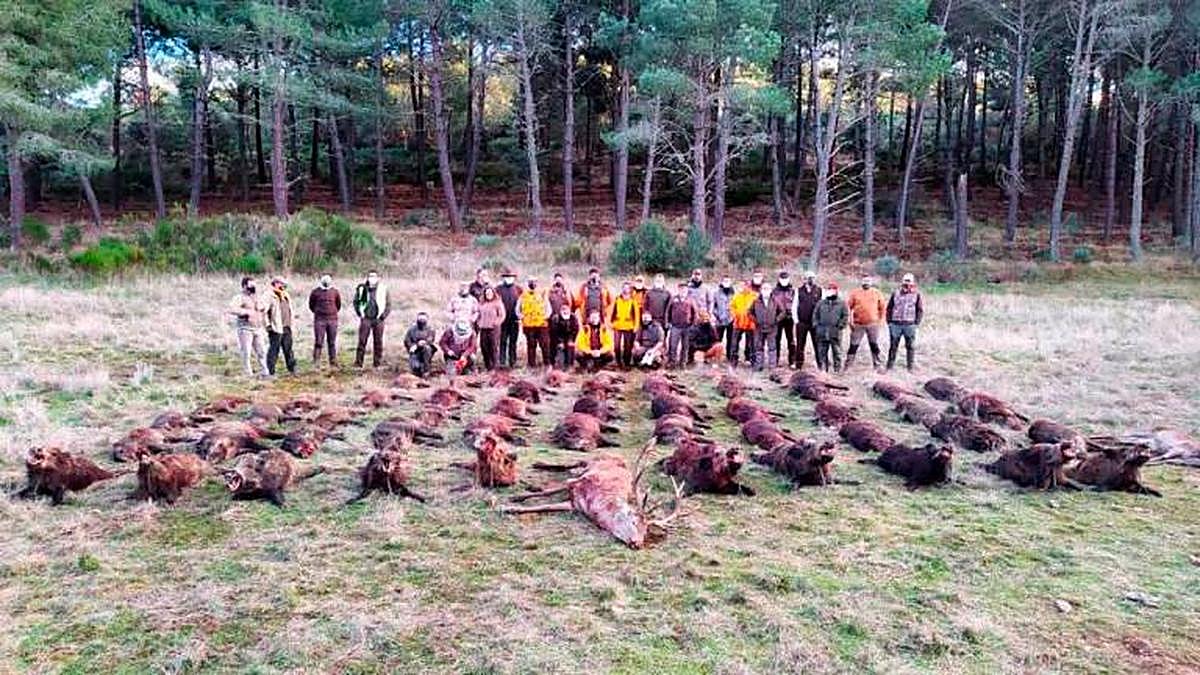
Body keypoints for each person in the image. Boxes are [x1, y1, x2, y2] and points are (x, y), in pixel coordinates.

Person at [229, 276, 270, 377]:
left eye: (254, 284)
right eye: (250, 285)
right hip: (245, 328)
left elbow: (264, 306)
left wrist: (263, 307)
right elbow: (232, 309)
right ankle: (248, 373)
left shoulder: (256, 296)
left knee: (262, 351)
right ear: (244, 286)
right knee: (246, 352)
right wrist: (246, 312)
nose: (253, 287)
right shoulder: (239, 297)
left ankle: (265, 371)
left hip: (258, 328)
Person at [846, 274, 886, 370]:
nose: (866, 283)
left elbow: (882, 308)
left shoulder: (877, 293)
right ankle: (848, 365)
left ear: (871, 283)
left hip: (873, 324)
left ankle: (878, 365)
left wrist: (880, 321)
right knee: (853, 345)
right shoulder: (855, 293)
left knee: (874, 345)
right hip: (858, 324)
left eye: (868, 282)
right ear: (861, 282)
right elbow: (848, 307)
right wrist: (850, 320)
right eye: (864, 282)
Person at [886, 273, 925, 371]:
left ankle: (910, 368)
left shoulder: (917, 295)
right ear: (902, 282)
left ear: (913, 283)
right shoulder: (895, 293)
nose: (907, 283)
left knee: (910, 347)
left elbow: (919, 310)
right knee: (893, 346)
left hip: (910, 325)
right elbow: (889, 308)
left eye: (909, 281)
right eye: (905, 281)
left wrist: (916, 323)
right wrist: (889, 322)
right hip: (895, 324)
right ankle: (890, 367)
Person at [353, 270, 390, 368]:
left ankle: (377, 363)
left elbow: (388, 304)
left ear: (377, 278)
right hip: (366, 319)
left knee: (378, 342)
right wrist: (360, 313)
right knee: (362, 341)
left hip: (378, 319)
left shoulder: (383, 288)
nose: (372, 278)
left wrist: (383, 315)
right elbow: (356, 302)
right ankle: (358, 363)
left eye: (374, 276)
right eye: (370, 276)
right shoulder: (362, 289)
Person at [813, 282, 849, 372]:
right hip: (822, 332)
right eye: (828, 289)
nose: (830, 291)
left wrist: (840, 326)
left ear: (836, 291)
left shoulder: (841, 303)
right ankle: (823, 369)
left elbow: (845, 316)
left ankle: (837, 370)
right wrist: (816, 325)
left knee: (837, 352)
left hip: (835, 332)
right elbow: (815, 315)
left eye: (832, 289)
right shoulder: (821, 303)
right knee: (822, 352)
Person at [517, 276, 552, 368]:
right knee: (531, 345)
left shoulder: (542, 294)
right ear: (528, 283)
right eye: (531, 282)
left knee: (545, 344)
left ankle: (547, 363)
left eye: (534, 282)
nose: (533, 283)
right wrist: (521, 317)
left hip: (541, 325)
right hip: (528, 325)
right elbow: (517, 309)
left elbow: (548, 308)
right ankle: (531, 365)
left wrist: (544, 317)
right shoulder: (523, 295)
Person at [265, 276, 297, 376]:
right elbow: (264, 312)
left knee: (288, 349)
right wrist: (268, 325)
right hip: (276, 328)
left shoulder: (286, 295)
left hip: (287, 327)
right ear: (275, 283)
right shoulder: (268, 296)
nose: (283, 285)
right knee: (274, 350)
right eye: (281, 283)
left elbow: (290, 309)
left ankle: (292, 369)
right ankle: (271, 371)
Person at [308, 273, 341, 367]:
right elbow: (311, 305)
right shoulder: (315, 292)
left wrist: (332, 313)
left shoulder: (335, 292)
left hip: (333, 320)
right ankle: (316, 361)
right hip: (320, 320)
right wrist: (318, 312)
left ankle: (333, 361)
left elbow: (338, 305)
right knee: (318, 341)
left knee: (332, 342)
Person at [792, 270, 822, 369]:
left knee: (817, 344)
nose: (810, 280)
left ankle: (820, 364)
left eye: (812, 278)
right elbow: (794, 306)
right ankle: (799, 364)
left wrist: (820, 321)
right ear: (804, 279)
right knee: (800, 345)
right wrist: (796, 321)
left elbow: (822, 306)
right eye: (808, 278)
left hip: (815, 323)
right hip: (802, 323)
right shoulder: (798, 290)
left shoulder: (819, 290)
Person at [768, 271, 797, 368]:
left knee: (791, 341)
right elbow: (771, 304)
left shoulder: (792, 291)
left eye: (786, 279)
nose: (784, 281)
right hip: (778, 318)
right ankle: (775, 360)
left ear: (788, 279)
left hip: (789, 318)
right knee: (776, 340)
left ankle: (792, 361)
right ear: (779, 279)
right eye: (782, 279)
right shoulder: (774, 291)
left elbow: (796, 304)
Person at [610, 282, 641, 368]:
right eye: (624, 288)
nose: (625, 289)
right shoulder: (617, 299)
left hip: (629, 326)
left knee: (628, 346)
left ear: (630, 290)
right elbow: (612, 311)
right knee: (616, 346)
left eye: (627, 288)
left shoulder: (633, 301)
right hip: (618, 325)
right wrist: (611, 323)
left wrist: (636, 326)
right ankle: (618, 362)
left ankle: (626, 363)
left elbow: (637, 315)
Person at [666, 282, 697, 367]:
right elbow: (668, 311)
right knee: (673, 345)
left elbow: (695, 313)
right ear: (678, 289)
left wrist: (693, 325)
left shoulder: (690, 299)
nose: (682, 290)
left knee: (685, 346)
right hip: (675, 326)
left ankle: (683, 362)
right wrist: (667, 322)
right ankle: (672, 362)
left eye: (684, 289)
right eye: (681, 288)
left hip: (687, 327)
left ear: (687, 290)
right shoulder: (673, 299)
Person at [496, 269, 522, 368]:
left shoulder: (519, 289)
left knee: (513, 341)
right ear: (503, 278)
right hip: (502, 320)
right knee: (502, 341)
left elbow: (522, 304)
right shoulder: (498, 289)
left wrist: (521, 316)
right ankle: (502, 361)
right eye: (506, 276)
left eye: (510, 276)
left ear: (514, 278)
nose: (508, 278)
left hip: (514, 320)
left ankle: (513, 361)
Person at [729, 280, 759, 367]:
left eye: (746, 286)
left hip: (751, 323)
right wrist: (735, 315)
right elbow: (732, 307)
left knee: (753, 344)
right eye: (741, 286)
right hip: (738, 323)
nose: (743, 288)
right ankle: (733, 361)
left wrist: (755, 319)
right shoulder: (737, 296)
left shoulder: (755, 296)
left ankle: (753, 361)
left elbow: (758, 308)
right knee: (734, 343)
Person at [477, 286, 507, 370]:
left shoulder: (497, 303)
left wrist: (496, 322)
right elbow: (478, 314)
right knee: (484, 347)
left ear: (493, 293)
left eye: (490, 293)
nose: (488, 295)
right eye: (487, 293)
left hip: (493, 329)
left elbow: (502, 315)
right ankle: (488, 366)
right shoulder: (481, 303)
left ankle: (495, 367)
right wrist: (479, 323)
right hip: (483, 328)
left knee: (493, 347)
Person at [750, 271, 774, 370]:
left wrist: (775, 320)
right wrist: (755, 321)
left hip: (771, 328)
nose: (766, 290)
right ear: (761, 290)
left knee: (772, 348)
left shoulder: (774, 300)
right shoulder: (756, 301)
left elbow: (782, 312)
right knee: (759, 347)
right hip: (759, 328)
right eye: (764, 288)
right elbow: (749, 312)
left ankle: (772, 366)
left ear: (771, 290)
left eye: (767, 289)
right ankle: (759, 365)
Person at [404, 312, 437, 376]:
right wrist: (412, 346)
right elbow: (407, 340)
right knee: (416, 368)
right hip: (414, 351)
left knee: (427, 349)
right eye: (420, 319)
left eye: (424, 319)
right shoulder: (411, 330)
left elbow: (430, 339)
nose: (422, 321)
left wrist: (423, 343)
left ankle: (426, 369)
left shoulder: (430, 330)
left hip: (426, 351)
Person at [712, 275, 736, 362]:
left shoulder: (734, 293)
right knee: (718, 339)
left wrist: (733, 315)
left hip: (731, 320)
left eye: (728, 281)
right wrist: (717, 315)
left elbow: (736, 306)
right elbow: (713, 306)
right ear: (721, 282)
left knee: (731, 340)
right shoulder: (716, 293)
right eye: (724, 281)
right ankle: (716, 356)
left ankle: (730, 357)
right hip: (719, 320)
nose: (726, 282)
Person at [549, 303, 580, 368]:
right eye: (563, 310)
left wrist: (571, 340)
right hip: (557, 340)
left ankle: (570, 365)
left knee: (570, 348)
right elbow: (554, 333)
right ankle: (556, 364)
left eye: (567, 310)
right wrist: (560, 342)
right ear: (560, 311)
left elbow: (575, 330)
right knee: (560, 355)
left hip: (569, 338)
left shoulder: (573, 318)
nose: (565, 311)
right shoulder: (556, 319)